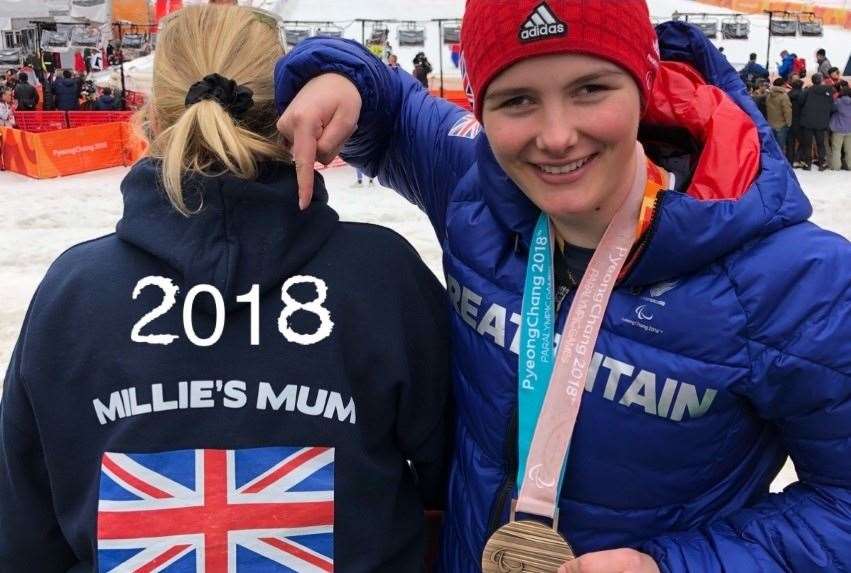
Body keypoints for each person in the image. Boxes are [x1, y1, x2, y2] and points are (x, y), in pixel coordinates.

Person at [273, 1, 851, 571]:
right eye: (517, 100)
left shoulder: (795, 282)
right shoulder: (472, 186)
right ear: (480, 107)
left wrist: (673, 565)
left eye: (590, 89)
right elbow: (390, 102)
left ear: (645, 83)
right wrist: (337, 76)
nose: (555, 137)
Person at [0, 5, 451, 571]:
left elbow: (24, 533)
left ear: (152, 117)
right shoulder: (383, 276)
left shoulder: (72, 293)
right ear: (292, 110)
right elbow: (459, 477)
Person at [799, 72, 834, 170]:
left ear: (812, 81)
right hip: (822, 122)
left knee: (808, 144)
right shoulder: (828, 90)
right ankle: (822, 164)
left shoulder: (807, 91)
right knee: (820, 144)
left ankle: (808, 164)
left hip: (807, 121)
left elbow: (800, 102)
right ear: (821, 80)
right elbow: (831, 105)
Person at [766, 77, 792, 152]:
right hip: (781, 125)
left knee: (773, 147)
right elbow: (787, 111)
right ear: (782, 85)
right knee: (780, 148)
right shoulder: (784, 96)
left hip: (771, 124)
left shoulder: (769, 95)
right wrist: (788, 123)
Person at [829, 86, 851, 170]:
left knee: (836, 149)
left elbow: (831, 109)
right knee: (849, 149)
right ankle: (850, 165)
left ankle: (836, 166)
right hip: (849, 129)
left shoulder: (838, 102)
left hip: (838, 129)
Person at [787, 78, 806, 165]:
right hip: (799, 121)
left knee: (790, 143)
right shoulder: (803, 95)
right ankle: (798, 158)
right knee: (803, 142)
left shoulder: (788, 94)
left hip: (789, 121)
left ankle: (790, 160)